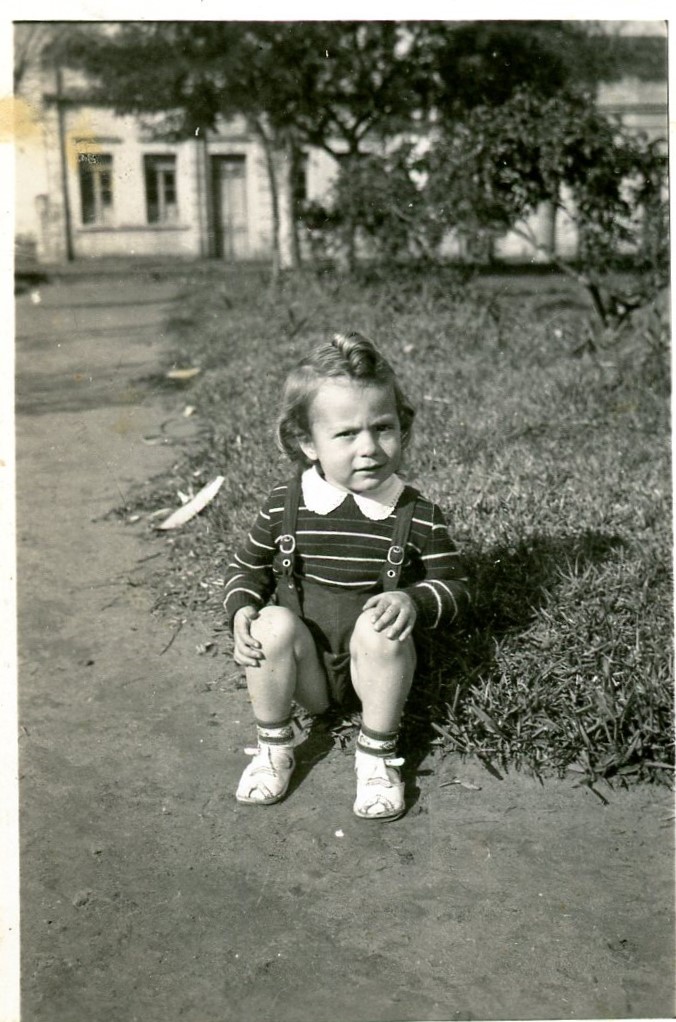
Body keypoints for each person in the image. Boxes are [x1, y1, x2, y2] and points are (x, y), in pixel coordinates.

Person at [223, 332, 467, 821]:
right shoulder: (285, 505)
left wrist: (413, 600)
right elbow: (247, 567)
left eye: (383, 427)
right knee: (270, 623)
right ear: (306, 443)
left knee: (380, 628)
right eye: (347, 434)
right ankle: (274, 746)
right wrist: (241, 608)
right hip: (306, 670)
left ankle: (376, 755)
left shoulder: (416, 513)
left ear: (403, 427)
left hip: (376, 672)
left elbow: (455, 586)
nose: (370, 448)